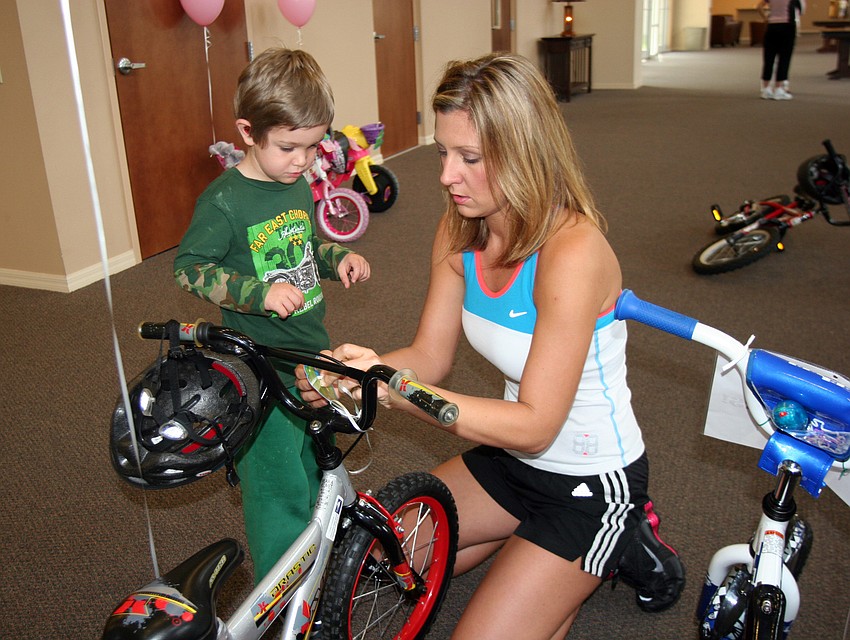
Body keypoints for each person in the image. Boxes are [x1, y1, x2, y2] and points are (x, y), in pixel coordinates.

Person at [295, 52, 683, 639]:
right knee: (374, 561)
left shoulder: (573, 252)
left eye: (469, 158)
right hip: (506, 462)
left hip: (588, 483)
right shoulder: (460, 226)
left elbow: (536, 426)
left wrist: (394, 390)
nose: (447, 176)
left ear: (525, 154)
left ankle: (624, 538)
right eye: (443, 153)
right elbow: (428, 356)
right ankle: (525, 541)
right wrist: (354, 373)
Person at [173, 47, 371, 583]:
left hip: (309, 350)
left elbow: (302, 249)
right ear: (247, 131)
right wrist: (256, 293)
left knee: (317, 455)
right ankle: (284, 588)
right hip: (258, 366)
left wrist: (337, 258)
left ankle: (321, 552)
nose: (303, 161)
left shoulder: (296, 182)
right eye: (288, 147)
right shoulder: (225, 202)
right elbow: (189, 269)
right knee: (275, 479)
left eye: (313, 146)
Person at [758, 0, 805, 100]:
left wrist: (766, 18)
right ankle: (779, 89)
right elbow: (801, 11)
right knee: (784, 58)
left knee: (769, 58)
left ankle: (766, 89)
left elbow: (759, 6)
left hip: (772, 26)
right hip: (787, 26)